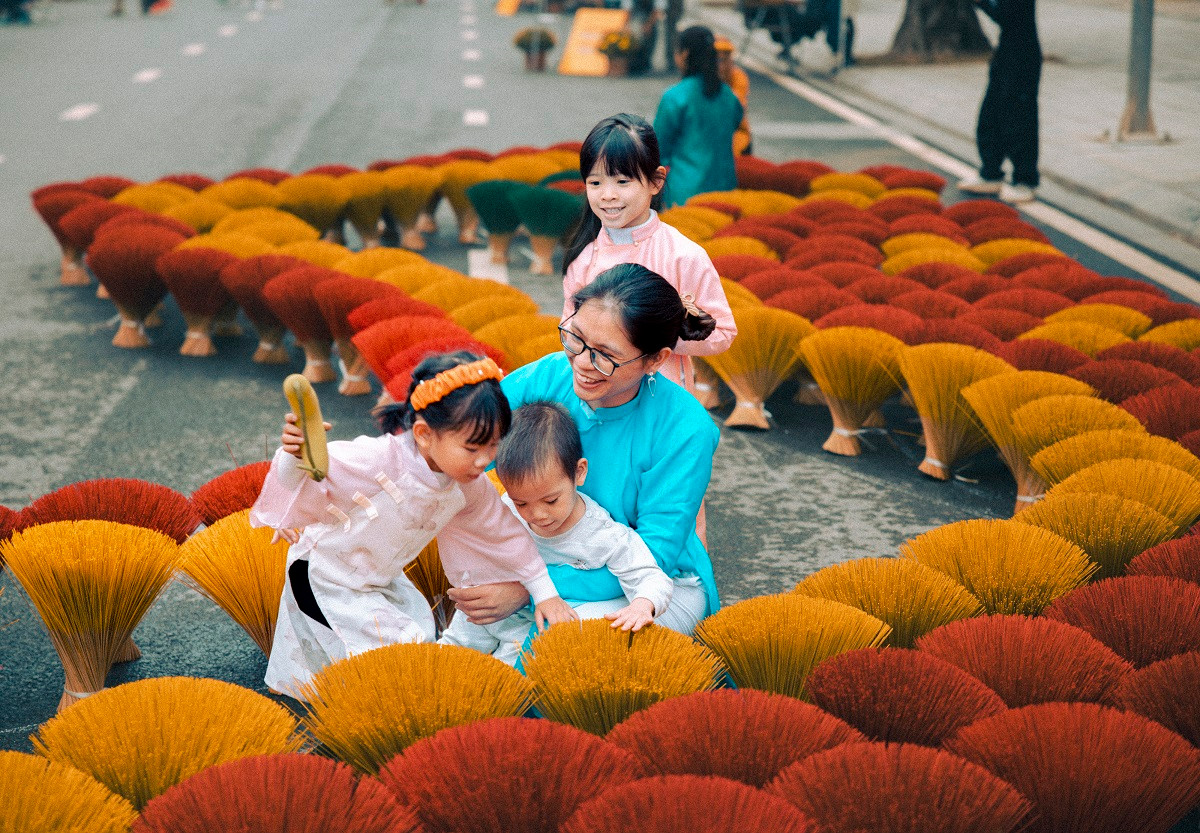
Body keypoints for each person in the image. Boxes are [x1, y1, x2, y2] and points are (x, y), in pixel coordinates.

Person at [251, 352, 575, 697]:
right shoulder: (377, 459)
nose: (485, 460)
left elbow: (502, 534)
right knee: (405, 650)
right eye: (472, 447)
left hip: (378, 579)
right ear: (423, 433)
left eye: (494, 445)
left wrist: (545, 594)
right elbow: (316, 473)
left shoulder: (467, 486)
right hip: (325, 576)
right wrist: (293, 457)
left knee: (416, 634)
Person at [450, 264, 722, 636]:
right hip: (546, 557)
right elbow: (469, 446)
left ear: (656, 360)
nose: (580, 363)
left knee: (557, 643)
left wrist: (527, 590)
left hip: (649, 587)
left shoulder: (685, 429)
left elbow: (653, 555)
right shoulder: (546, 377)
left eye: (605, 355)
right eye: (575, 338)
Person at [441, 401, 674, 664]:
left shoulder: (601, 533)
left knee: (511, 667)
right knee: (454, 649)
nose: (537, 515)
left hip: (535, 623)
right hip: (492, 611)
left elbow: (649, 575)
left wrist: (643, 605)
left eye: (551, 501)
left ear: (579, 472)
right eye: (522, 503)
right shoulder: (506, 510)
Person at [561, 113, 736, 394]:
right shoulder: (583, 260)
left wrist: (664, 335)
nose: (607, 195)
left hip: (662, 401)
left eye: (622, 182)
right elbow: (569, 332)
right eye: (595, 183)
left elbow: (723, 332)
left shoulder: (683, 256)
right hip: (599, 399)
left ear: (656, 181)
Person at [957, 0, 1041, 204]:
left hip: (1023, 57)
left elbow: (1008, 15)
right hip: (1006, 53)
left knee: (1019, 118)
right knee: (991, 114)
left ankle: (1025, 180)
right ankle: (991, 172)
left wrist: (982, 3)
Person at [654, 26, 744, 208]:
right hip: (725, 191)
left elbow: (657, 149)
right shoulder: (728, 95)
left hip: (684, 193)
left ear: (684, 54)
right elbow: (735, 123)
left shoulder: (675, 97)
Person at [714, 37, 753, 156]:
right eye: (717, 60)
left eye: (724, 59)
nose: (721, 65)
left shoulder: (739, 77)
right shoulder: (700, 78)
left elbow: (735, 107)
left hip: (737, 132)